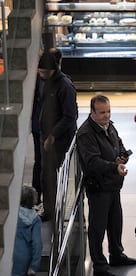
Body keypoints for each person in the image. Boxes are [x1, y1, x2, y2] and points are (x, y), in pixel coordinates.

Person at [77, 95, 136, 276]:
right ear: (92, 112)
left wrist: (123, 156)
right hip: (99, 187)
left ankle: (116, 255)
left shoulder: (110, 126)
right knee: (98, 227)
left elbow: (118, 145)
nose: (106, 116)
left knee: (115, 222)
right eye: (102, 112)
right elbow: (92, 162)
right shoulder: (86, 133)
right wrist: (114, 165)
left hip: (113, 184)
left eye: (108, 111)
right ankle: (100, 266)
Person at [37, 51, 78, 222]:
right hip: (46, 138)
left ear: (52, 70)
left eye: (44, 72)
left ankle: (71, 212)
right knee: (46, 176)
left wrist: (53, 136)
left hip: (60, 140)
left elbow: (70, 116)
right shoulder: (44, 82)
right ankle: (49, 210)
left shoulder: (64, 86)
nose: (41, 75)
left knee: (62, 177)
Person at [31, 48, 63, 207]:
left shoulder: (57, 82)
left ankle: (42, 198)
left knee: (43, 164)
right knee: (43, 164)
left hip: (43, 128)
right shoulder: (43, 80)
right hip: (42, 128)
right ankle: (41, 197)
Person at [12, 185, 42, 276]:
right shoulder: (35, 220)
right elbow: (37, 244)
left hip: (12, 253)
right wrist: (34, 266)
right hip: (25, 258)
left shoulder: (13, 215)